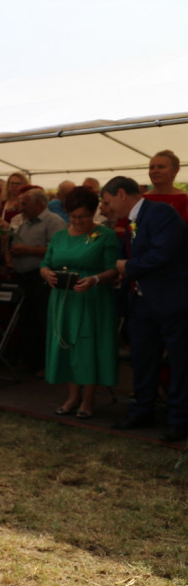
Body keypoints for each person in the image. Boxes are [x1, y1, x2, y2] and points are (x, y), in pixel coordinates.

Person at [104, 176, 188, 442]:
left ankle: (179, 420)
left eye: (107, 202)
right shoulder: (133, 221)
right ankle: (142, 410)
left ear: (121, 193)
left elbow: (164, 252)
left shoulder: (160, 212)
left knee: (179, 362)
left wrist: (127, 267)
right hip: (141, 302)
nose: (106, 208)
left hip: (171, 301)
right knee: (142, 359)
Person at [39, 187, 120, 419]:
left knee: (88, 347)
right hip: (63, 300)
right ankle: (73, 396)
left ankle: (88, 398)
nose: (77, 221)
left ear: (94, 212)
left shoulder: (105, 236)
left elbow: (113, 269)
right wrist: (46, 273)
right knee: (67, 345)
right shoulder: (59, 236)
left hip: (92, 299)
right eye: (73, 216)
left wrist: (95, 279)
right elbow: (46, 262)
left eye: (83, 216)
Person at [7, 186, 67, 372]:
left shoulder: (53, 222)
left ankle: (44, 363)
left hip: (42, 279)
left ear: (39, 203)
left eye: (25, 204)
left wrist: (27, 250)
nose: (21, 208)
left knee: (42, 321)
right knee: (27, 321)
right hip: (23, 278)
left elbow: (58, 251)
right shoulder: (24, 223)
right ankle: (30, 361)